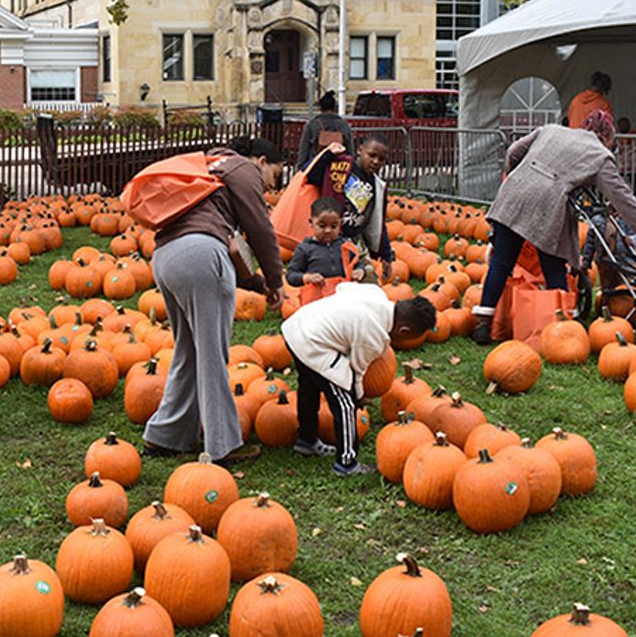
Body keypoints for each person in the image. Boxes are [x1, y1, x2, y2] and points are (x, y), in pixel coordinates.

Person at [142, 137, 285, 466]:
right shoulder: (243, 168)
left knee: (188, 349)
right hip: (202, 254)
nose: (269, 187)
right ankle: (222, 446)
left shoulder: (207, 166)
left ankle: (165, 435)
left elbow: (235, 249)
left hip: (165, 256)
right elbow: (260, 229)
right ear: (261, 160)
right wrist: (276, 281)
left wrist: (257, 283)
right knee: (211, 355)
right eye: (273, 177)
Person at [471, 110, 636, 344]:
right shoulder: (599, 155)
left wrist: (517, 176)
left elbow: (513, 152)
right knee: (553, 261)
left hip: (514, 193)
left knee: (501, 263)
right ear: (607, 137)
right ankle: (563, 326)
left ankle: (483, 324)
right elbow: (621, 194)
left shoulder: (550, 130)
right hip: (548, 204)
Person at [282, 286, 436, 476]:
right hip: (313, 342)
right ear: (404, 331)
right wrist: (358, 396)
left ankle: (307, 439)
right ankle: (346, 463)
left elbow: (342, 287)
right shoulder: (373, 335)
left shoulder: (375, 293)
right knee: (345, 403)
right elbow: (356, 370)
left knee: (309, 387)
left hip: (297, 327)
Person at [306, 134, 394, 281]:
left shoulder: (377, 186)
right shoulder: (340, 166)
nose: (375, 161)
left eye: (381, 159)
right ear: (360, 150)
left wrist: (386, 255)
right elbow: (311, 175)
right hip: (329, 238)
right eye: (372, 155)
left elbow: (379, 222)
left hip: (355, 241)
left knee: (368, 283)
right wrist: (326, 156)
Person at [286, 197, 364, 289]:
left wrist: (359, 271)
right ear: (311, 222)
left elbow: (357, 264)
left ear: (340, 223)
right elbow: (291, 275)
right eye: (322, 226)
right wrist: (307, 278)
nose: (328, 230)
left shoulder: (345, 246)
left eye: (334, 226)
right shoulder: (304, 248)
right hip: (317, 300)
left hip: (342, 297)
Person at [297, 91, 354, 168]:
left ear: (321, 108)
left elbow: (304, 151)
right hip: (338, 168)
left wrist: (300, 168)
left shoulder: (311, 125)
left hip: (316, 167)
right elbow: (350, 151)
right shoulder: (344, 125)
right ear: (334, 107)